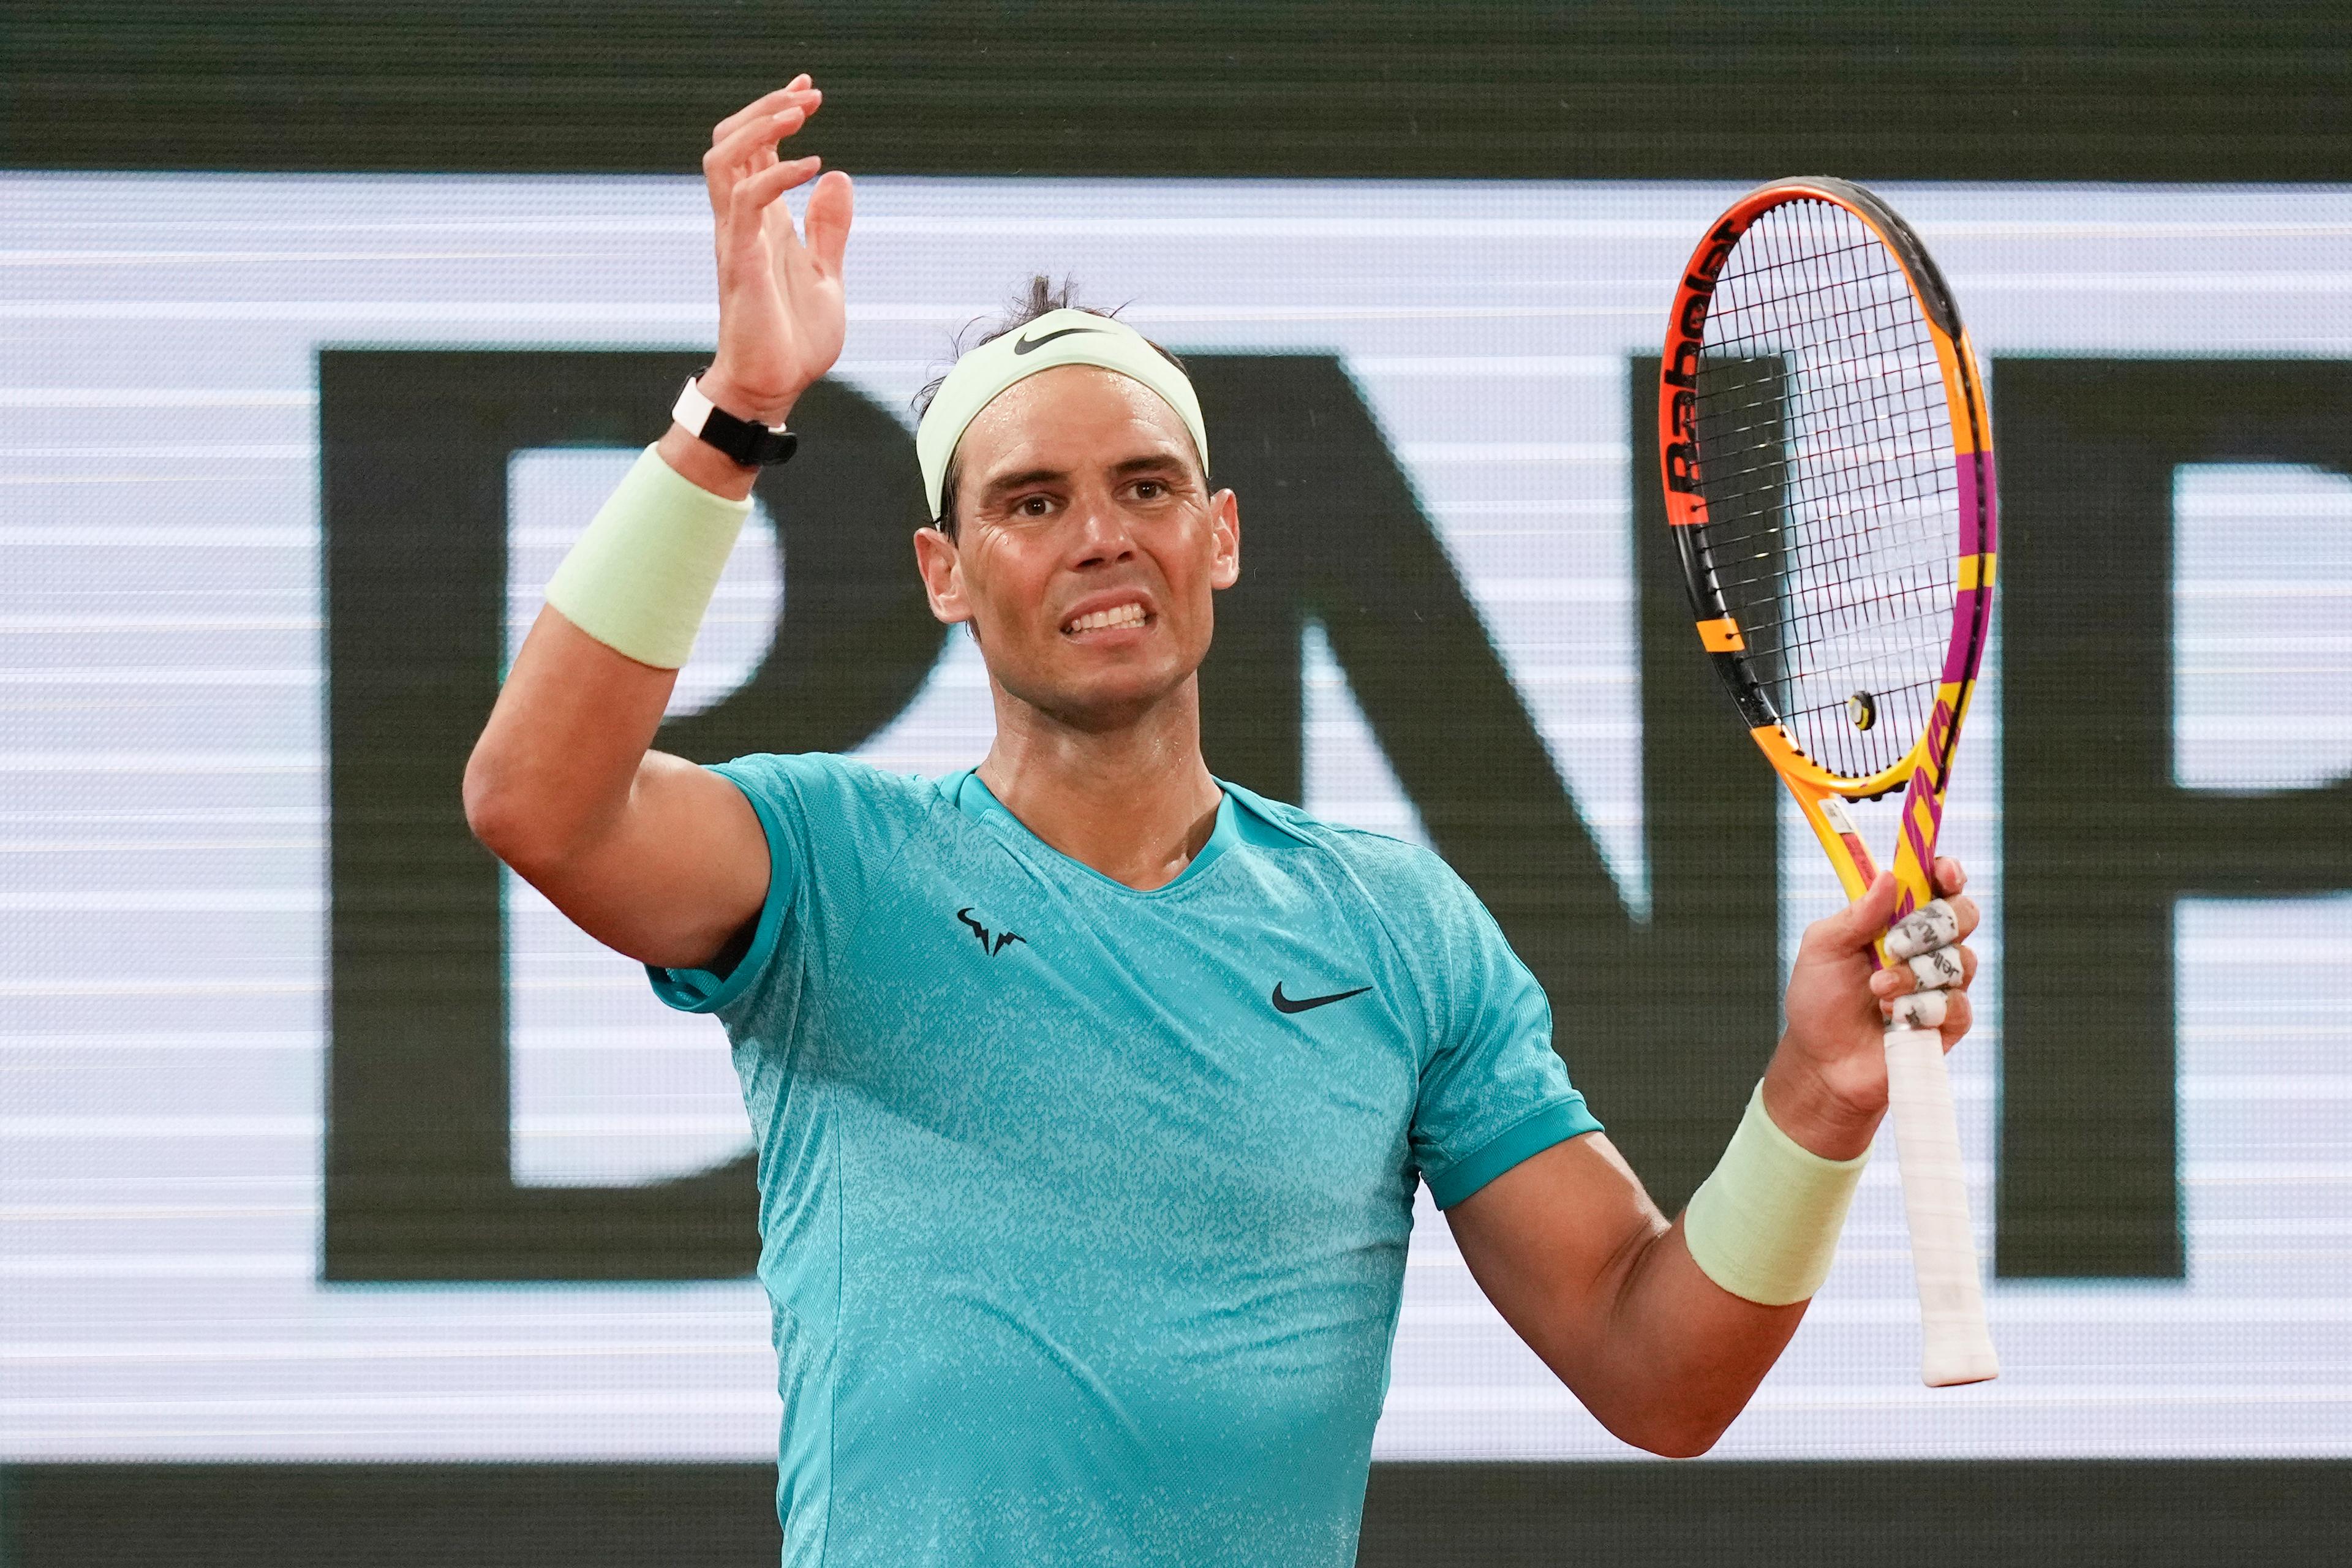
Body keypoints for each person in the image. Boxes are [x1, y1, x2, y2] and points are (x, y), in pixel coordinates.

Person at [463, 75, 1983, 1568]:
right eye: (1032, 501)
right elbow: (536, 801)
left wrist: (1816, 1091)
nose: (1102, 533)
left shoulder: (1398, 933)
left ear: (1222, 534)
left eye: (1145, 483)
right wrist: (738, 415)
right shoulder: (827, 860)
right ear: (945, 570)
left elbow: (1659, 1374)